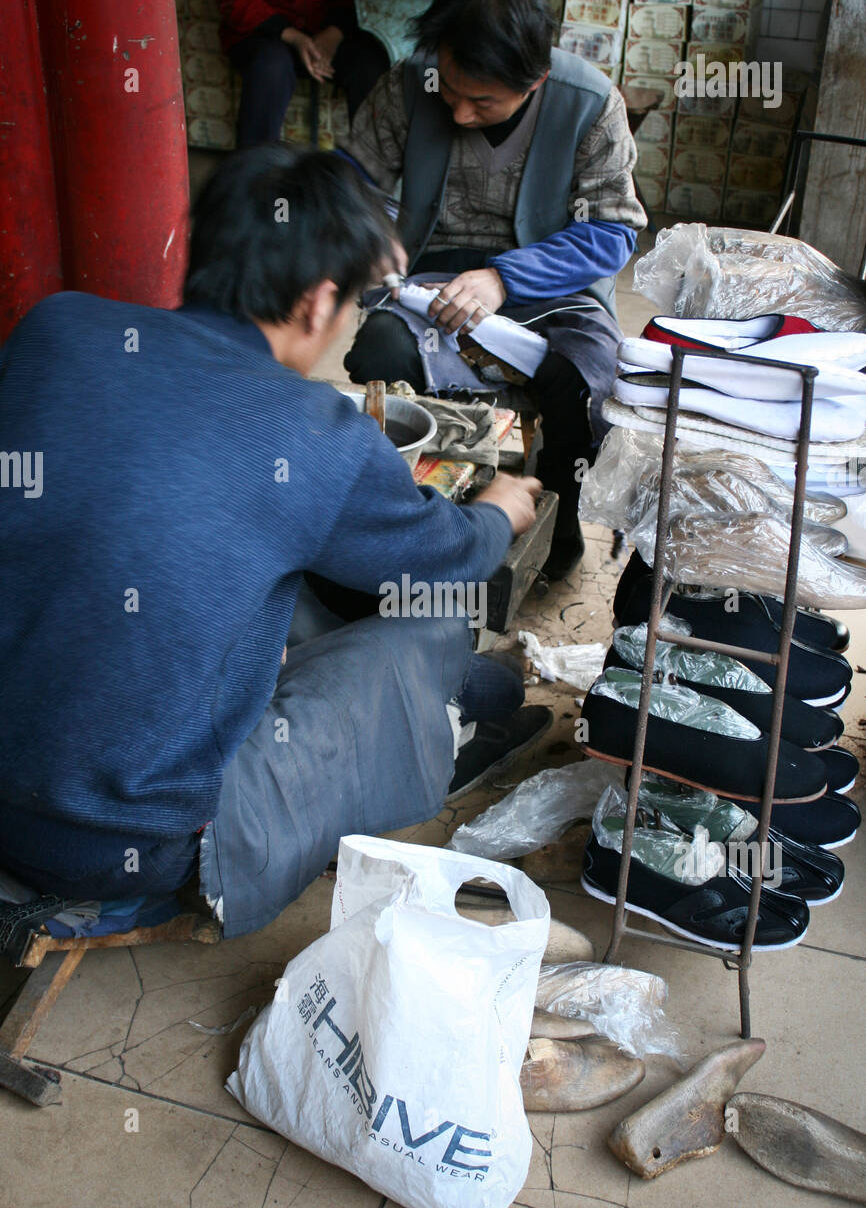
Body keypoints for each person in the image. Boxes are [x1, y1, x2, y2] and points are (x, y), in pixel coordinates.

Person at [0, 146, 546, 941]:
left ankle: (458, 698)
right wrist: (499, 511)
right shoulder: (312, 432)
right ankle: (446, 715)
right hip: (120, 846)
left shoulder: (56, 328)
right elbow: (451, 557)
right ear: (319, 301)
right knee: (427, 623)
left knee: (244, 569)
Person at [338, 0, 647, 580]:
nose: (457, 111)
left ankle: (553, 534)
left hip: (551, 285)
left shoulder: (589, 103)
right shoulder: (411, 83)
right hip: (429, 276)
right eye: (450, 89)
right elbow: (353, 177)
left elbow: (612, 231)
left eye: (482, 102)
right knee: (382, 350)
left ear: (535, 82)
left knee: (589, 378)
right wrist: (367, 237)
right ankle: (414, 527)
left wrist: (503, 278)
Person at [213, 0, 391, 147]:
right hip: (264, 32)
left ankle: (368, 171)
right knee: (270, 68)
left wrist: (334, 32)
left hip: (332, 28)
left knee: (369, 64)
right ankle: (254, 169)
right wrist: (292, 36)